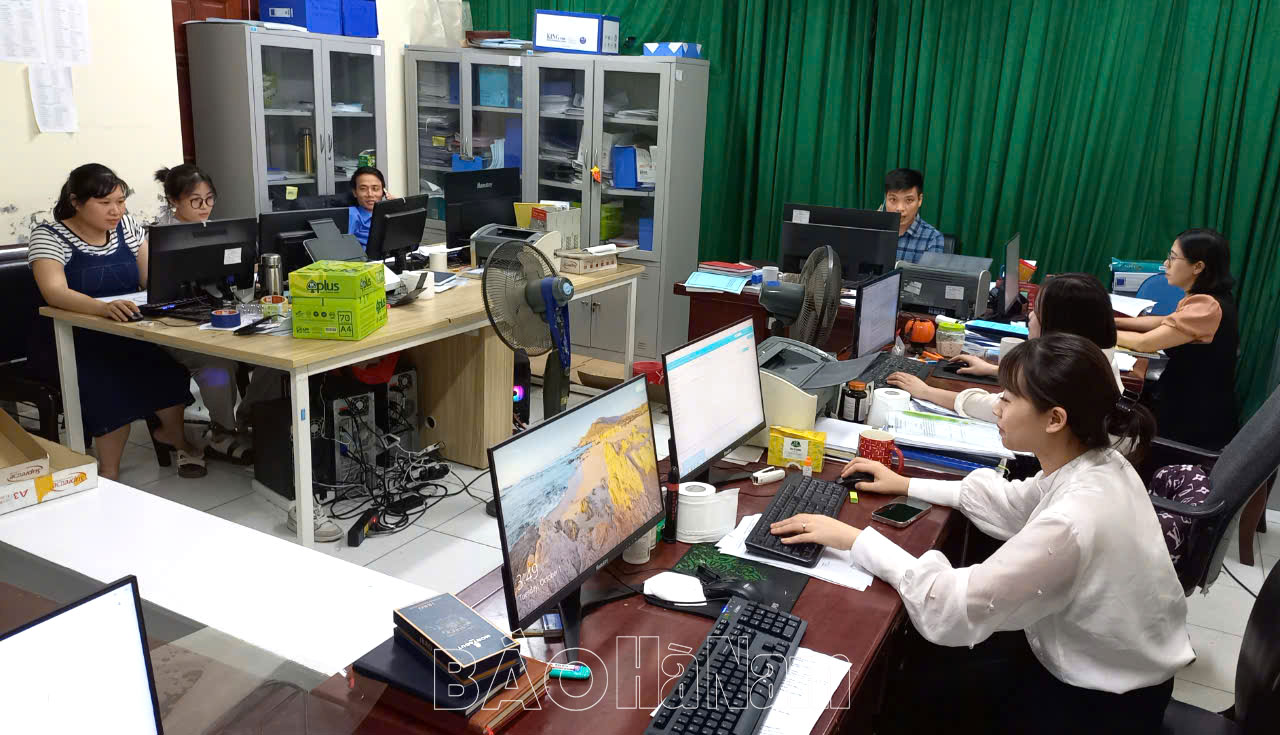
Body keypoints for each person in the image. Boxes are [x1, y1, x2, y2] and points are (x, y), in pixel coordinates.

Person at [771, 334, 1192, 733]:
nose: (997, 408)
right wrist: (905, 484)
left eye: (1008, 399)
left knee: (914, 686)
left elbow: (950, 606)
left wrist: (855, 539)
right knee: (921, 667)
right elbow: (1012, 503)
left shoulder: (1074, 518)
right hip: (1103, 666)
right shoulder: (1098, 462)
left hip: (1097, 705)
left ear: (1055, 419)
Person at [26, 164, 205, 480]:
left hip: (123, 332)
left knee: (167, 371)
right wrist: (101, 308)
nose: (116, 210)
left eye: (121, 201)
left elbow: (151, 280)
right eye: (105, 203)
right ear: (76, 202)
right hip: (68, 340)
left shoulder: (129, 227)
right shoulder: (48, 235)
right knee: (108, 384)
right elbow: (55, 292)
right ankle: (109, 472)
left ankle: (175, 438)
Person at [151, 165, 283, 464]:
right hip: (176, 326)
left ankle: (250, 418)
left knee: (277, 353)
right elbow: (153, 288)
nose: (205, 207)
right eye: (196, 200)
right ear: (173, 200)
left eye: (210, 199)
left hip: (221, 315)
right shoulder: (158, 238)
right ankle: (222, 432)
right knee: (217, 364)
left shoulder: (221, 232)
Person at [887, 273, 1125, 424]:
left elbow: (994, 408)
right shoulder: (1097, 357)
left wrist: (926, 391)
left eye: (1037, 312)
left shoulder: (1071, 376)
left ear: (1060, 326)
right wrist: (994, 370)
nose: (1030, 317)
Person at [1116, 229, 1238, 449]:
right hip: (1185, 401)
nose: (1166, 264)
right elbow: (1164, 321)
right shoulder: (1206, 299)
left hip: (1193, 419)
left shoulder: (1207, 307)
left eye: (1173, 258)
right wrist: (1112, 321)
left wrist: (1096, 330)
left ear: (1198, 267)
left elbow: (1145, 343)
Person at [883, 168, 943, 264]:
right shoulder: (873, 229)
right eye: (893, 199)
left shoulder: (933, 238)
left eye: (909, 200)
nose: (900, 208)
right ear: (885, 199)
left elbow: (928, 274)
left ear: (920, 200)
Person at [347, 166, 390, 248]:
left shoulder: (389, 214)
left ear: (383, 192)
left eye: (375, 189)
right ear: (355, 192)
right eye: (363, 189)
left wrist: (400, 206)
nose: (370, 194)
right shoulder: (352, 214)